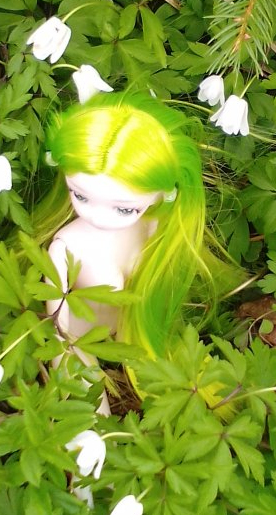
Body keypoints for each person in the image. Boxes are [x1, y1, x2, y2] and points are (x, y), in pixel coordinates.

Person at [32, 91, 232, 407]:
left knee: (188, 384)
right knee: (89, 407)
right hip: (81, 342)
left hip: (132, 330)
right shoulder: (65, 248)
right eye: (80, 196)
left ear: (163, 196)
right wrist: (68, 368)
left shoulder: (153, 229)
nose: (98, 217)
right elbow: (61, 330)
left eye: (125, 208)